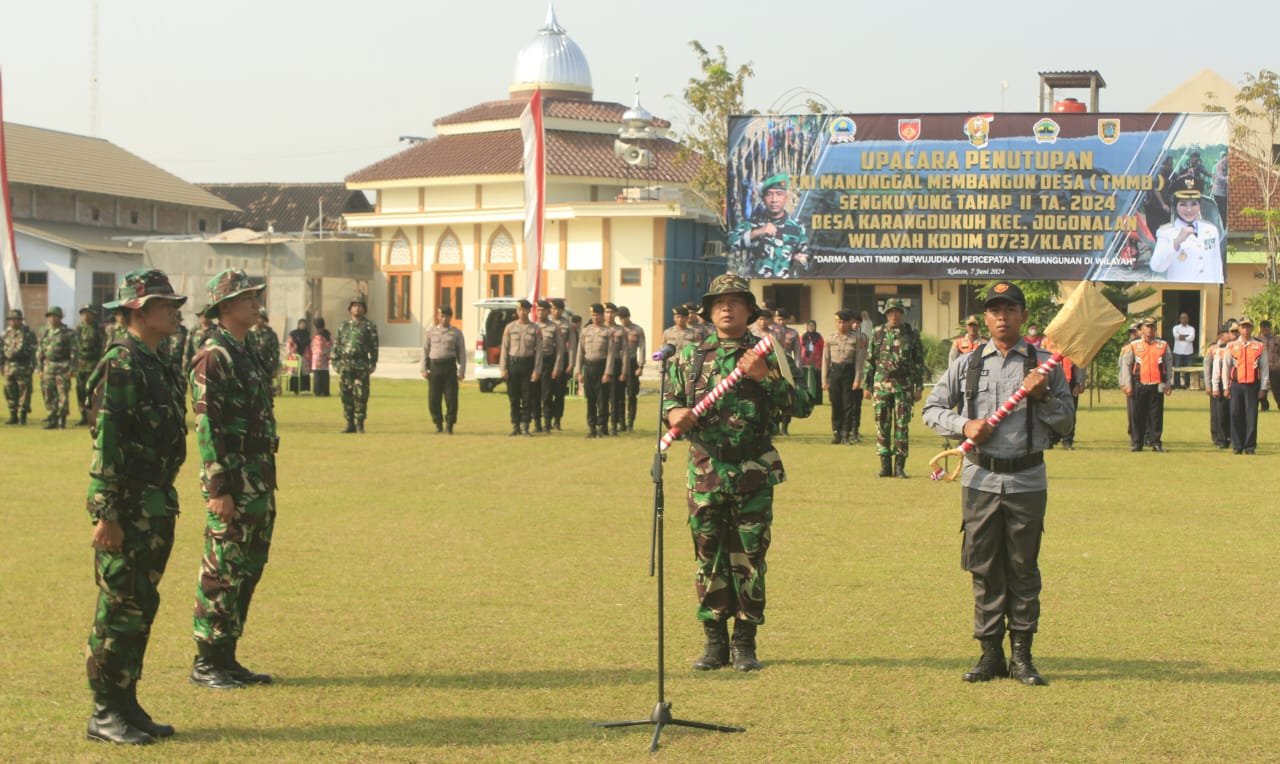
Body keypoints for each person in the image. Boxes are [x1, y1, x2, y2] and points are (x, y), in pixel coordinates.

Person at [922, 280, 1072, 686]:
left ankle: (1022, 656)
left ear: (1023, 316)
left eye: (1010, 310)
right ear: (984, 318)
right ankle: (990, 654)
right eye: (994, 310)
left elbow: (1068, 422)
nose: (1002, 317)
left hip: (1026, 479)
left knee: (1023, 568)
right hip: (979, 479)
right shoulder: (967, 363)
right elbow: (932, 409)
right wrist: (964, 424)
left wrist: (1043, 398)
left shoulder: (1044, 365)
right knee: (985, 567)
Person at [662, 274, 807, 672]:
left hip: (753, 471)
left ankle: (745, 642)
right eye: (719, 302)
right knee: (708, 556)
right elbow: (671, 401)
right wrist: (674, 413)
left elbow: (804, 402)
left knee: (749, 557)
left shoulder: (767, 351)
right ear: (709, 312)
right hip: (706, 470)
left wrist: (766, 376)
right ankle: (714, 642)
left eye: (736, 301)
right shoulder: (690, 355)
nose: (727, 308)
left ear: (749, 310)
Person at [82, 269, 189, 745]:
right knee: (119, 607)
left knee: (141, 604)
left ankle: (126, 703)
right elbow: (108, 442)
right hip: (126, 508)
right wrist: (106, 514)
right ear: (139, 311)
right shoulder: (122, 363)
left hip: (155, 503)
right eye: (167, 305)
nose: (175, 311)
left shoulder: (155, 360)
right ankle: (105, 711)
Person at [188, 268, 278, 690]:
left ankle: (227, 655)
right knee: (222, 569)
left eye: (256, 296)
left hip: (258, 479)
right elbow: (208, 426)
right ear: (225, 307)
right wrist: (219, 488)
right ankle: (206, 660)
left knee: (247, 568)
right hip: (234, 483)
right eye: (247, 298)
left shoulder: (246, 350)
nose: (256, 303)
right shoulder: (214, 356)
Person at [864, 298, 926, 477]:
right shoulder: (877, 333)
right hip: (881, 384)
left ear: (902, 314)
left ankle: (899, 466)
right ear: (886, 314)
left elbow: (918, 362)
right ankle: (885, 466)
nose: (894, 315)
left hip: (903, 385)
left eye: (897, 311)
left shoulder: (911, 334)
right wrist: (867, 386)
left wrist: (919, 387)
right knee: (882, 425)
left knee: (902, 425)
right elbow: (870, 361)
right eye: (890, 312)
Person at [728, 173, 809, 278]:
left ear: (786, 197)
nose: (774, 200)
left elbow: (809, 259)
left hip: (788, 287)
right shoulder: (751, 223)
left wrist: (802, 261)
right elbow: (729, 243)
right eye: (769, 194)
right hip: (757, 287)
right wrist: (757, 232)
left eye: (779, 194)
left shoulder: (798, 227)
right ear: (763, 198)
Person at [1150, 176, 1223, 283]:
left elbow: (1217, 266)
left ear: (1199, 205)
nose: (1189, 210)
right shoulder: (1166, 232)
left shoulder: (1211, 230)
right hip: (1180, 294)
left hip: (1208, 293)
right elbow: (1156, 266)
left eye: (1194, 204)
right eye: (1183, 204)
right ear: (1175, 206)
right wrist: (1176, 242)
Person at [1120, 317, 1174, 451]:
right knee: (1138, 415)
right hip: (1139, 383)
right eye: (1147, 327)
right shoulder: (1134, 345)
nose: (1149, 330)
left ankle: (1156, 442)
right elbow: (1127, 366)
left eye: (1152, 327)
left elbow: (1169, 364)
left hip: (1157, 384)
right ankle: (1137, 443)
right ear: (1142, 329)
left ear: (1155, 329)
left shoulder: (1163, 345)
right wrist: (1127, 384)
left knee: (1156, 415)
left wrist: (1169, 383)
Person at [1224, 316, 1269, 454]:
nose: (1246, 329)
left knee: (1251, 416)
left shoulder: (1259, 346)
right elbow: (1226, 367)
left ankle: (1250, 446)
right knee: (1235, 414)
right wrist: (1226, 387)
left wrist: (1263, 388)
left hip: (1252, 386)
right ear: (1239, 328)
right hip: (1236, 385)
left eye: (1248, 326)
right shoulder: (1231, 346)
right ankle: (1237, 445)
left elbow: (1264, 368)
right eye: (1243, 327)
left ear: (1252, 328)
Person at [333, 296, 379, 433]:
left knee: (361, 394)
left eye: (360, 306)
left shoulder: (369, 326)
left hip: (361, 364)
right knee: (345, 394)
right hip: (345, 365)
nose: (357, 308)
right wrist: (336, 363)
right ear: (350, 308)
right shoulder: (343, 326)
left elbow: (374, 346)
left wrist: (372, 363)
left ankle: (360, 423)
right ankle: (349, 423)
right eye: (354, 306)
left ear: (364, 309)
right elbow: (337, 345)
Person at [822, 309, 867, 444]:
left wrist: (858, 379)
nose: (841, 325)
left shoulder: (857, 338)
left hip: (849, 372)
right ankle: (837, 432)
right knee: (835, 403)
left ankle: (847, 433)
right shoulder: (830, 338)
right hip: (835, 372)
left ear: (849, 323)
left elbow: (859, 360)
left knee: (848, 404)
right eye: (838, 322)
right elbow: (825, 360)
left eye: (844, 322)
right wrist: (824, 380)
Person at [420, 305, 466, 434]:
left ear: (450, 317)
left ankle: (450, 424)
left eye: (446, 316)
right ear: (438, 316)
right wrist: (423, 368)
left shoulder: (456, 333)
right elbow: (425, 350)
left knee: (451, 397)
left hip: (449, 367)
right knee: (433, 398)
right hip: (435, 367)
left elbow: (461, 352)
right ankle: (438, 424)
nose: (443, 318)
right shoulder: (431, 332)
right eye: (441, 315)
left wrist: (461, 370)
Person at [500, 298, 542, 436]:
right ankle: (515, 425)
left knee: (527, 397)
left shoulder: (535, 329)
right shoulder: (510, 327)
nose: (522, 312)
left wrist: (537, 370)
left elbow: (539, 352)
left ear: (529, 310)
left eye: (525, 310)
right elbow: (504, 349)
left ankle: (525, 426)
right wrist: (503, 368)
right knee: (513, 397)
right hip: (513, 365)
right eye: (519, 310)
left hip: (528, 364)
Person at [576, 303, 615, 437]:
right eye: (593, 315)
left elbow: (611, 353)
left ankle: (602, 426)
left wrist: (608, 372)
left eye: (597, 315)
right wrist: (579, 371)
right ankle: (591, 427)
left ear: (602, 315)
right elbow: (580, 352)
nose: (595, 317)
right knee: (590, 399)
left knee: (602, 400)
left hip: (602, 367)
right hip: (588, 367)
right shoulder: (586, 331)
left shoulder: (608, 332)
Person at [38, 305, 77, 429]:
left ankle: (62, 419)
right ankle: (52, 418)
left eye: (54, 316)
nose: (51, 319)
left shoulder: (68, 333)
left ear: (60, 318)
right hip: (48, 367)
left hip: (63, 367)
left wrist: (72, 369)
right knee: (49, 394)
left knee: (62, 394)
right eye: (49, 316)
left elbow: (74, 352)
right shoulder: (44, 332)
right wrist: (39, 369)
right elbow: (40, 352)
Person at [3, 309, 38, 425]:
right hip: (9, 367)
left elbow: (33, 352)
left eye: (15, 319)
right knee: (9, 391)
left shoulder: (28, 333)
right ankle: (13, 415)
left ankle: (22, 417)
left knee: (24, 392)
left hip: (23, 366)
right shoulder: (6, 333)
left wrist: (32, 367)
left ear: (20, 320)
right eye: (11, 320)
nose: (13, 322)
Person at [74, 305, 107, 426]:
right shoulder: (78, 328)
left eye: (88, 313)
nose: (86, 316)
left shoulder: (98, 328)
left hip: (94, 364)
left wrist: (101, 365)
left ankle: (94, 414)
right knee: (80, 390)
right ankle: (83, 415)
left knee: (94, 390)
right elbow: (74, 348)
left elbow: (102, 347)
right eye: (83, 314)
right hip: (81, 365)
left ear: (93, 315)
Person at [1205, 324, 1233, 448]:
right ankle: (1217, 436)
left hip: (1230, 382)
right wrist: (1209, 385)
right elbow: (1207, 368)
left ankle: (1228, 436)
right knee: (1217, 413)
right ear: (1222, 334)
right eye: (1229, 332)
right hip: (1216, 383)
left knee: (1229, 412)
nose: (1232, 335)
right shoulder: (1212, 348)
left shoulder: (1232, 347)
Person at [618, 306, 645, 431]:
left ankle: (630, 422)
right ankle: (621, 422)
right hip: (619, 364)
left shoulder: (637, 330)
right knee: (618, 395)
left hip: (632, 363)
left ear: (629, 316)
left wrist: (641, 366)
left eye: (625, 318)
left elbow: (642, 348)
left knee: (632, 394)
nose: (623, 321)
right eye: (621, 318)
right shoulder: (617, 330)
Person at [549, 298, 574, 429]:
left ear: (562, 310)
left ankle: (557, 420)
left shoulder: (567, 325)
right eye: (553, 308)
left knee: (559, 392)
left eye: (558, 309)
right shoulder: (544, 323)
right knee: (546, 392)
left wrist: (571, 364)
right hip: (547, 358)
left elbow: (572, 346)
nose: (555, 311)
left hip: (563, 359)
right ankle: (547, 418)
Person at [603, 302, 627, 435]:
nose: (609, 315)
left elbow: (625, 353)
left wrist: (624, 371)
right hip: (601, 364)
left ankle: (613, 425)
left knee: (614, 396)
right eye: (606, 312)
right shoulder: (599, 329)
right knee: (602, 397)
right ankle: (602, 424)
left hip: (616, 364)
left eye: (611, 312)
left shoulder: (620, 330)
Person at [248, 309, 281, 397]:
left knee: (267, 393)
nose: (258, 320)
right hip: (252, 367)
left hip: (266, 367)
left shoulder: (271, 335)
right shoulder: (249, 333)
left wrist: (274, 368)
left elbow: (275, 353)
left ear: (264, 320)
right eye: (256, 317)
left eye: (260, 318)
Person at [799, 319, 824, 406]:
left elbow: (823, 349)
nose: (811, 327)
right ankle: (807, 399)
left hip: (817, 362)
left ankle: (818, 400)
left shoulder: (819, 337)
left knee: (817, 381)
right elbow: (800, 348)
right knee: (806, 380)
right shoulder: (803, 337)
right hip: (805, 361)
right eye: (809, 326)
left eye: (813, 326)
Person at [1258, 319, 1279, 411]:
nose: (1265, 329)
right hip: (1261, 369)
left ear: (1270, 328)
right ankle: (1264, 406)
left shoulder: (1277, 339)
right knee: (1262, 389)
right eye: (1263, 327)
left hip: (1275, 368)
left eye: (1266, 327)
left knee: (1277, 389)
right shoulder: (1257, 340)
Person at [1170, 313, 1196, 390]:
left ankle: (1187, 385)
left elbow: (1191, 338)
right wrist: (1187, 336)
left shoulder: (1191, 328)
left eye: (1185, 318)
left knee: (1188, 369)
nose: (1184, 319)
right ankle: (1177, 385)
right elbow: (1176, 336)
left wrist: (1181, 336)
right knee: (1177, 369)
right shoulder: (1176, 328)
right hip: (1178, 351)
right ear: (1179, 319)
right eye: (1182, 318)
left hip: (1189, 352)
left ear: (1188, 319)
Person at [286, 319, 311, 394]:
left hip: (304, 355)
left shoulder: (307, 334)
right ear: (298, 324)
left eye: (304, 324)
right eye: (301, 324)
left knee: (304, 372)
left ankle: (304, 389)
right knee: (295, 372)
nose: (303, 325)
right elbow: (289, 344)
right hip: (295, 355)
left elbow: (309, 344)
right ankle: (294, 389)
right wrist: (292, 351)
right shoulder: (293, 333)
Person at [310, 317, 332, 397]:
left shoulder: (318, 335)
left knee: (317, 375)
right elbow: (330, 344)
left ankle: (317, 391)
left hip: (317, 356)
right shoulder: (327, 333)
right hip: (325, 356)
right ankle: (325, 391)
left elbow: (317, 346)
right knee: (325, 374)